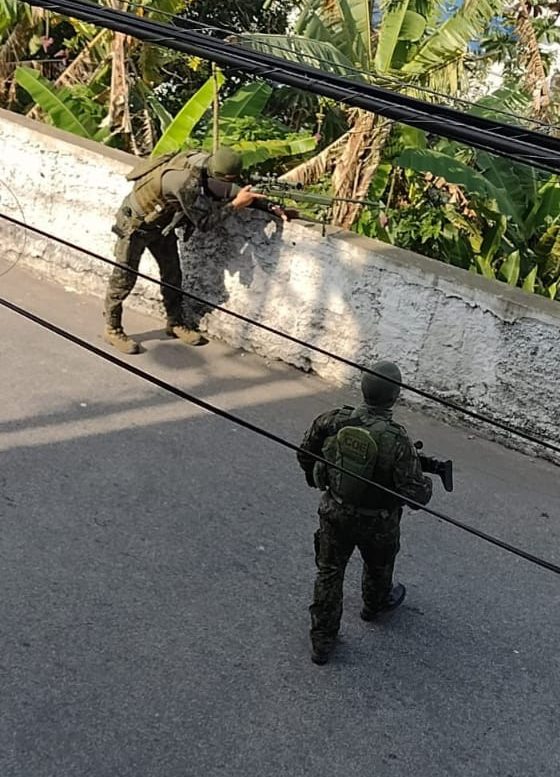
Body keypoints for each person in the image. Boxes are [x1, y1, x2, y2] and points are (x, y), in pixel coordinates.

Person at [297, 360, 433, 665]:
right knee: (379, 564)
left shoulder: (335, 419)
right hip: (378, 522)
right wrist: (426, 482)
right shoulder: (399, 440)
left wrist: (313, 478)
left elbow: (305, 451)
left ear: (363, 388)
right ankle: (374, 604)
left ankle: (322, 640)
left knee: (329, 573)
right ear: (395, 395)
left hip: (334, 511)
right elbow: (415, 496)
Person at [104, 146, 297, 354]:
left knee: (172, 275)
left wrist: (269, 206)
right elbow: (204, 222)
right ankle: (112, 329)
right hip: (135, 226)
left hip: (161, 225)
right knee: (124, 279)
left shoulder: (206, 163)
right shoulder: (184, 182)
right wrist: (235, 205)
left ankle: (175, 323)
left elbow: (231, 190)